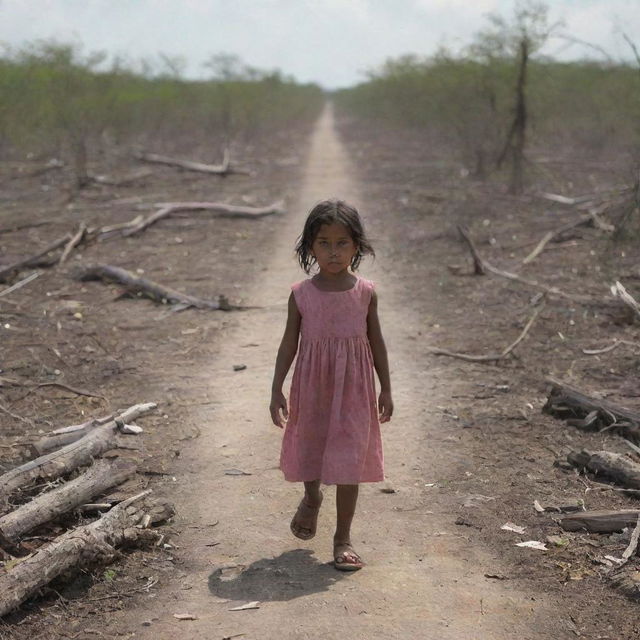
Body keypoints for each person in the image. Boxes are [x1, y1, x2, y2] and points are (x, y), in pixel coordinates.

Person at [269, 199, 393, 571]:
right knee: (311, 445)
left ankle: (343, 539)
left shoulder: (366, 292)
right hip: (312, 386)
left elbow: (377, 342)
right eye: (324, 243)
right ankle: (311, 496)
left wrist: (386, 388)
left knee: (349, 459)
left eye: (342, 243)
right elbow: (289, 343)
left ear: (357, 246)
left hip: (354, 389)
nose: (333, 251)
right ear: (310, 247)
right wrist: (276, 388)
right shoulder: (301, 294)